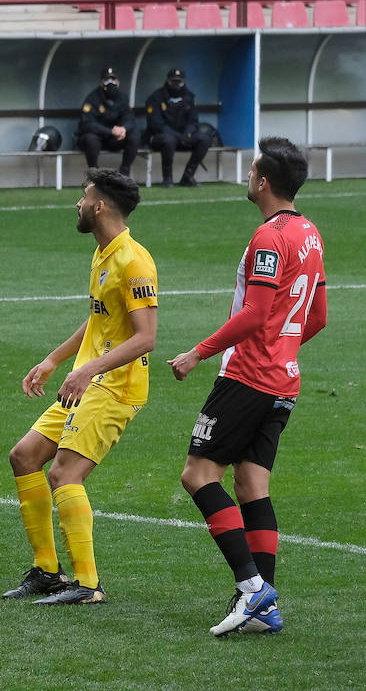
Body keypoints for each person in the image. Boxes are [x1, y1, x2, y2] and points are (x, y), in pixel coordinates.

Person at [167, 138, 326, 637]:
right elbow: (317, 316)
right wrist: (284, 350)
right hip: (284, 379)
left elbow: (254, 312)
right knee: (253, 484)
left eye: (252, 170)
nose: (247, 176)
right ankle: (264, 607)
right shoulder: (310, 234)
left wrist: (198, 352)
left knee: (198, 475)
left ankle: (252, 586)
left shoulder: (268, 239)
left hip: (248, 375)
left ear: (263, 182)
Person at [4, 168, 158, 605]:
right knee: (24, 456)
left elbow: (146, 337)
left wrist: (87, 371)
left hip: (117, 387)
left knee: (64, 473)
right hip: (89, 381)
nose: (78, 202)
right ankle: (48, 573)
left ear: (101, 205)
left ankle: (88, 585)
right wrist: (55, 359)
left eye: (84, 195)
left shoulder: (134, 261)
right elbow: (99, 317)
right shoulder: (103, 253)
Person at [145, 68, 211, 187]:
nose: (177, 85)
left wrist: (187, 133)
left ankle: (188, 176)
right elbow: (156, 124)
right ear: (168, 81)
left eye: (179, 82)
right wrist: (178, 136)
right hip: (160, 137)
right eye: (174, 81)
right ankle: (167, 178)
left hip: (183, 136)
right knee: (169, 140)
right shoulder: (155, 98)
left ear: (183, 82)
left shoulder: (189, 97)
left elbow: (193, 120)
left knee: (204, 138)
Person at [75, 67, 138, 178]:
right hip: (99, 137)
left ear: (118, 82)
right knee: (90, 139)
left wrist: (124, 129)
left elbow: (130, 118)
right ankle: (94, 174)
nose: (110, 83)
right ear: (101, 82)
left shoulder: (123, 97)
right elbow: (87, 123)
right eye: (107, 80)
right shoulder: (92, 98)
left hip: (116, 139)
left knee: (134, 136)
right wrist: (110, 131)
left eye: (113, 80)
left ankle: (124, 173)